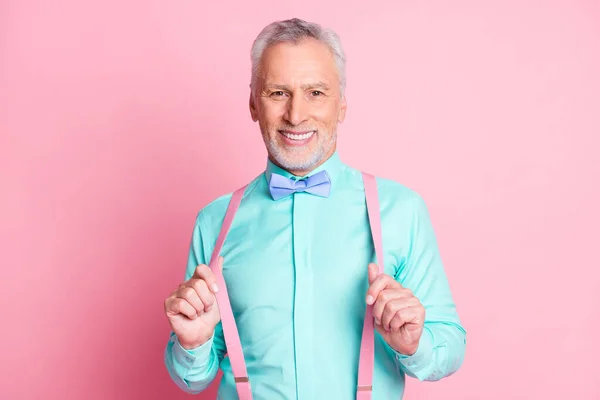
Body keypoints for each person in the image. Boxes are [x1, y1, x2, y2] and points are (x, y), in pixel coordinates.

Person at [163, 18, 466, 399]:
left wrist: (414, 345)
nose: (296, 115)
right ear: (254, 104)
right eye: (277, 93)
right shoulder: (215, 221)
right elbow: (193, 378)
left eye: (316, 93)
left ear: (342, 104)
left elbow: (450, 344)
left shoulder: (401, 210)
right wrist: (192, 344)